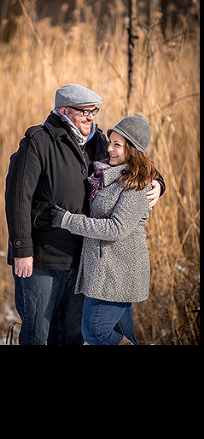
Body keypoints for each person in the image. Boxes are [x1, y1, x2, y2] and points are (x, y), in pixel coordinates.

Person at [4, 83, 163, 346]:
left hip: (82, 260)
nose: (91, 117)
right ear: (64, 110)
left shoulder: (99, 142)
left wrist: (159, 184)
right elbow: (17, 198)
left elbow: (135, 160)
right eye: (84, 111)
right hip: (43, 257)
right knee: (36, 333)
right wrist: (22, 250)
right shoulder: (38, 142)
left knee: (71, 335)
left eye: (94, 111)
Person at [42, 115, 160, 345]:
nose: (110, 148)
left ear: (133, 150)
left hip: (118, 273)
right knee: (122, 333)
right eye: (110, 142)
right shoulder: (109, 173)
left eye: (118, 145)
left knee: (95, 332)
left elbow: (116, 228)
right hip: (105, 270)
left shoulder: (136, 185)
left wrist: (68, 220)